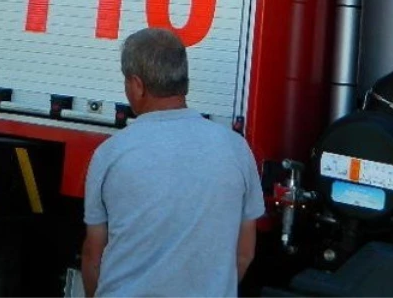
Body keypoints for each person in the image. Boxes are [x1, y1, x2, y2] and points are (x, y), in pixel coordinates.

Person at [82, 27, 265, 298]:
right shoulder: (236, 149)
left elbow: (93, 258)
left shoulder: (110, 154)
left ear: (137, 84)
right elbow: (244, 253)